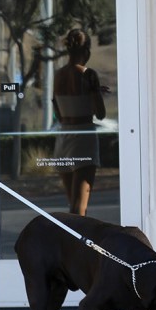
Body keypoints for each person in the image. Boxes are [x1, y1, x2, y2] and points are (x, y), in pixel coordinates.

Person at [51, 28, 107, 216]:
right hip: (83, 138)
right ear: (87, 50)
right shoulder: (88, 74)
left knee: (72, 203)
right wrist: (97, 92)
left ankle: (73, 242)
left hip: (63, 137)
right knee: (79, 207)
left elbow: (58, 113)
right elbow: (100, 113)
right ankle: (77, 244)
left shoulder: (58, 75)